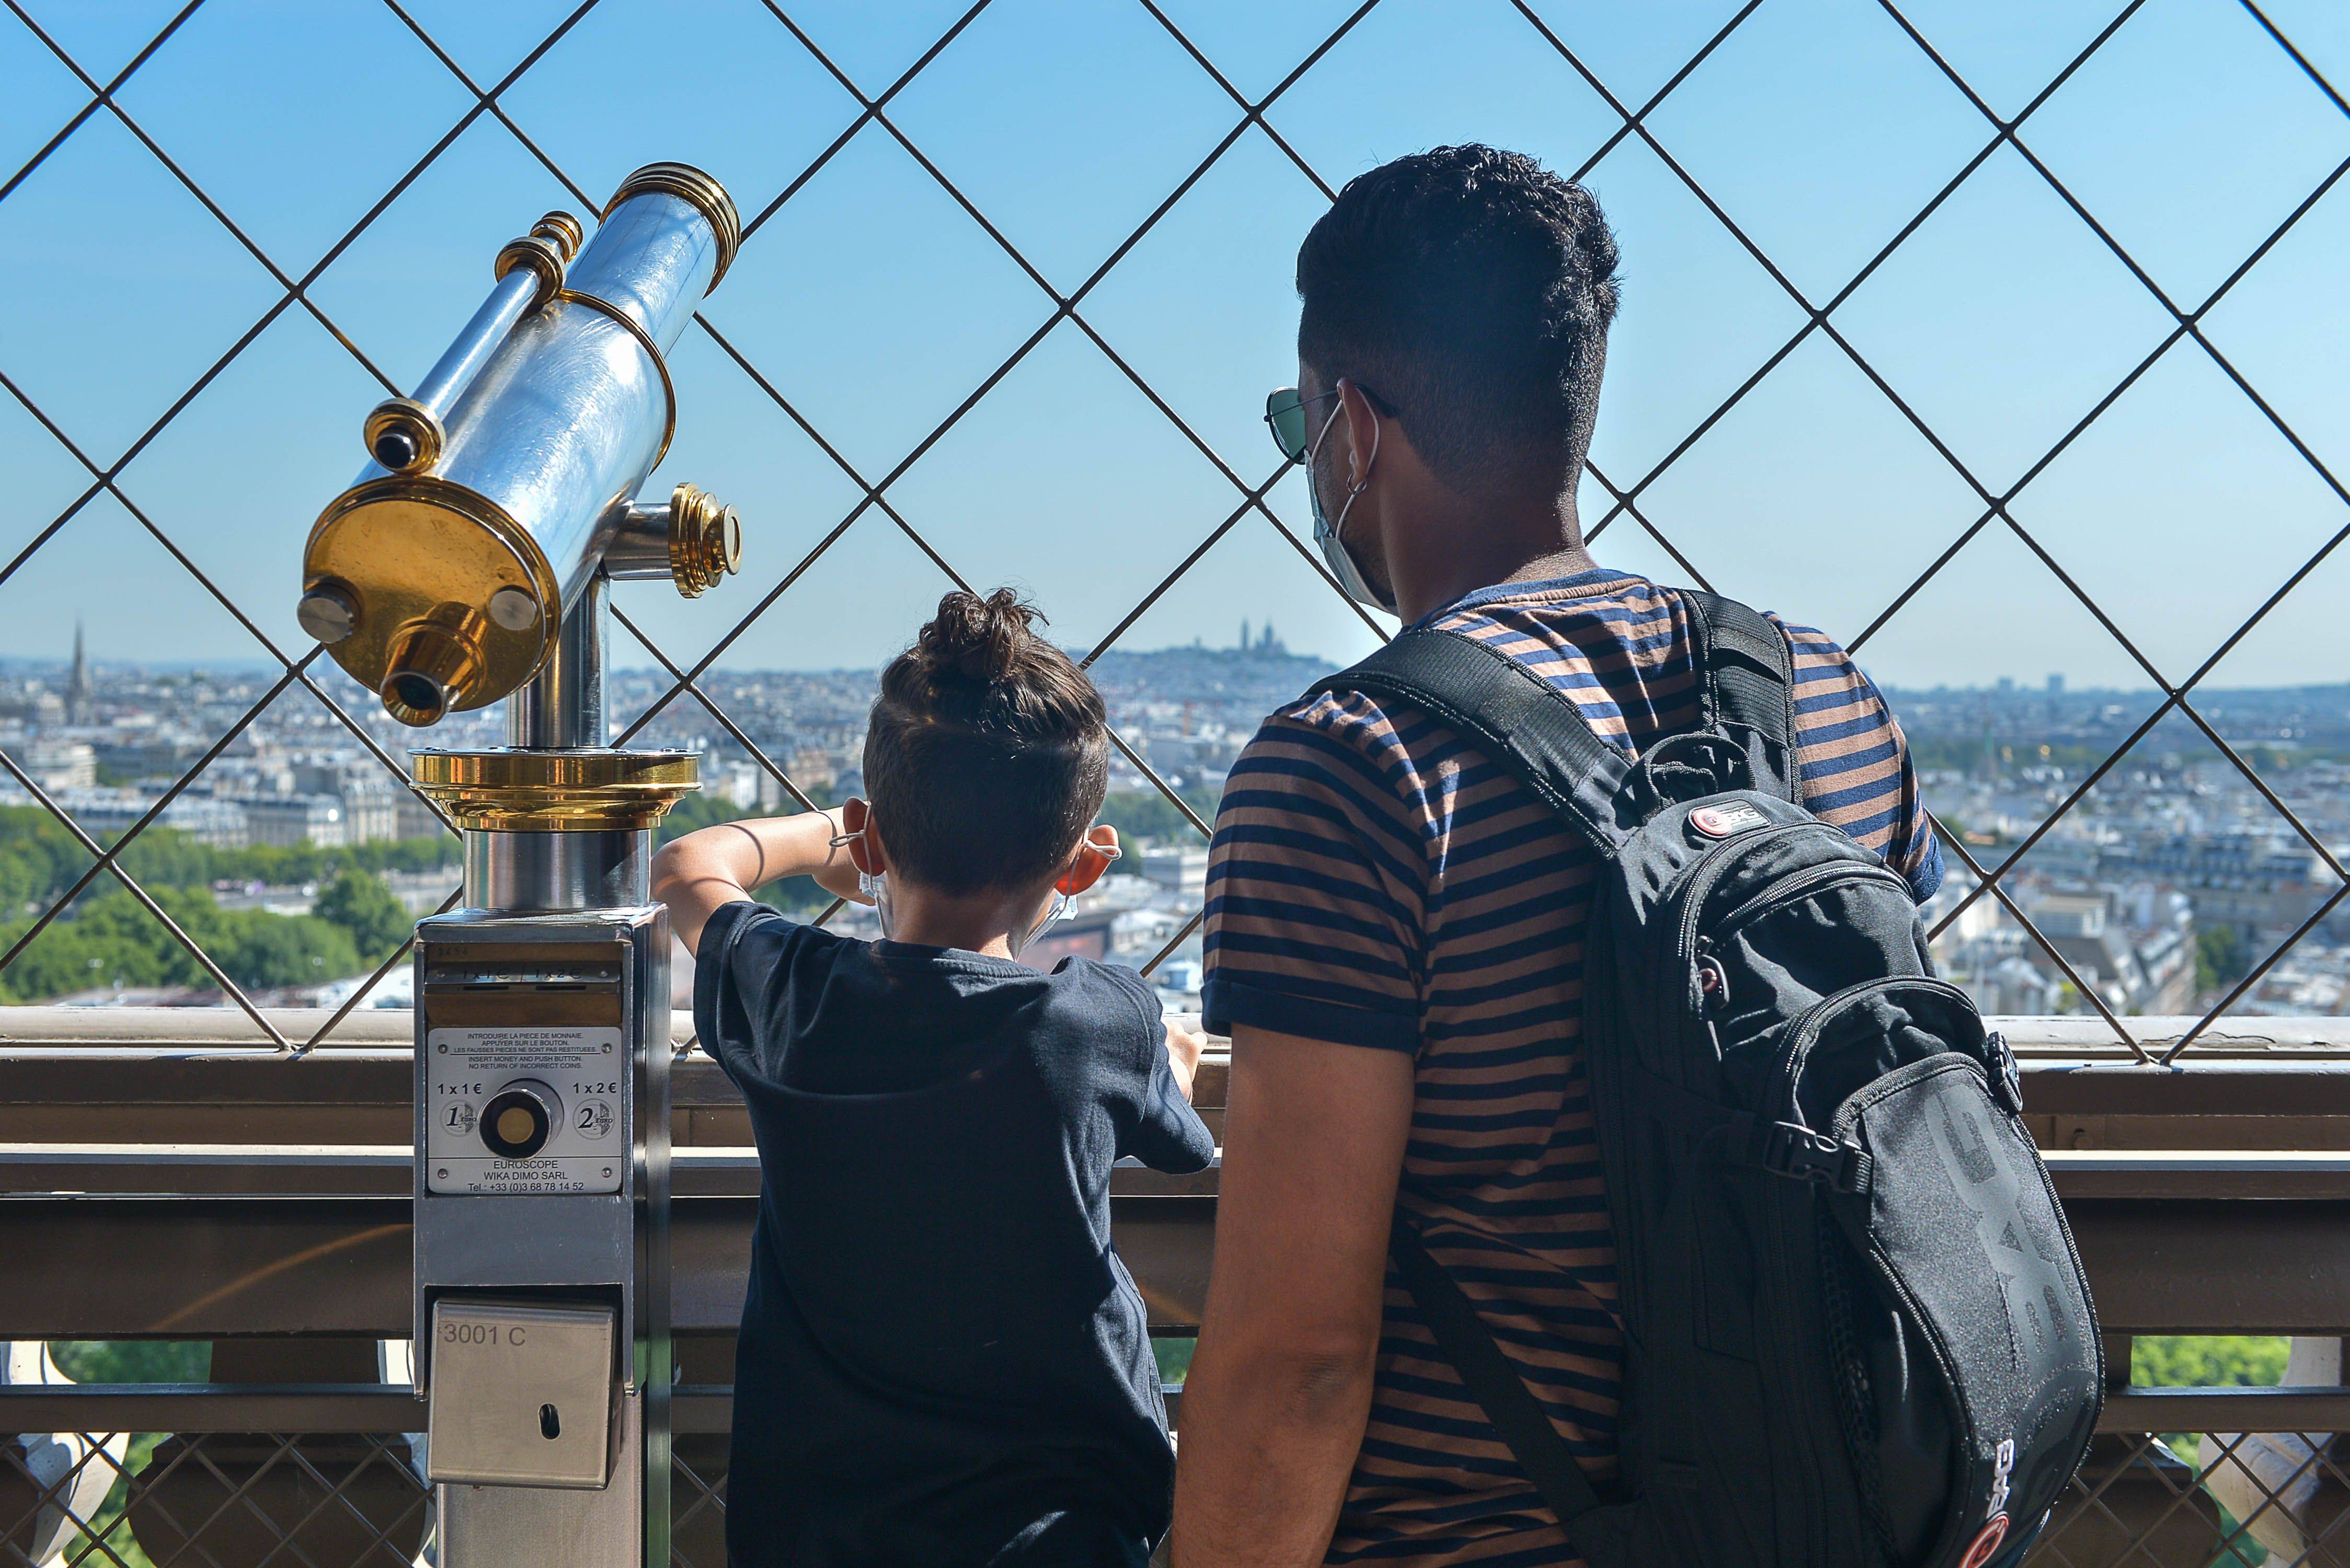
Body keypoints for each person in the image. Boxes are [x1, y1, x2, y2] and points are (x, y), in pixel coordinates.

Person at [1170, 145, 1943, 1566]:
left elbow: (1297, 1362)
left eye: (1296, 427)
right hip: (1813, 1522)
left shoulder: (1351, 766)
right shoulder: (1828, 699)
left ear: (1353, 429)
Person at [653, 588, 1215, 1568]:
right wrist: (1167, 1058)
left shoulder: (799, 994)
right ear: (1080, 870)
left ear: (875, 837)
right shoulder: (1096, 1022)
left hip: (814, 1529)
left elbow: (686, 867)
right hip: (1053, 1533)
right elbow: (1177, 1135)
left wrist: (840, 839)